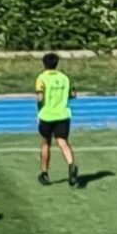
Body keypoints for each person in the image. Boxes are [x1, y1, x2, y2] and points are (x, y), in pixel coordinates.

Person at [36, 53, 79, 187]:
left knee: (46, 143)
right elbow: (73, 95)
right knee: (62, 141)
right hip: (63, 114)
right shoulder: (64, 78)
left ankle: (44, 173)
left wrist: (39, 111)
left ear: (44, 64)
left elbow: (40, 98)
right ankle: (71, 164)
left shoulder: (41, 78)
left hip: (47, 114)